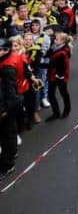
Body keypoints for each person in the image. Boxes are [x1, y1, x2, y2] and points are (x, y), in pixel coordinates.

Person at [0, 38, 19, 179]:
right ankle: (11, 153)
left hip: (7, 107)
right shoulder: (6, 59)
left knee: (7, 135)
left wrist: (5, 110)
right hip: (6, 105)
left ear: (6, 50)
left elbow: (10, 93)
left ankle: (8, 164)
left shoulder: (7, 68)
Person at [45, 32, 72, 121]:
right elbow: (48, 54)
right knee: (51, 94)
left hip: (59, 76)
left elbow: (57, 66)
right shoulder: (55, 48)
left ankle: (66, 110)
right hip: (53, 74)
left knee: (63, 93)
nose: (54, 40)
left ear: (62, 41)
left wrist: (59, 77)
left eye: (56, 39)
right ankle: (56, 112)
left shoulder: (62, 53)